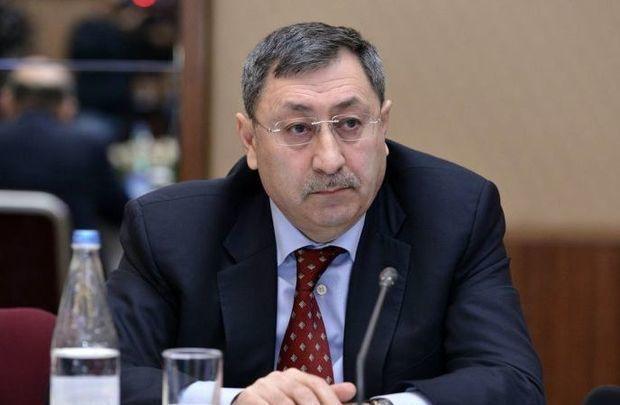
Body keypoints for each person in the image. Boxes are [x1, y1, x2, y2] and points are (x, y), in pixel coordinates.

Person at [107, 22, 544, 404]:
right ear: (250, 141)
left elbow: (511, 382)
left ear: (383, 126)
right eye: (298, 129)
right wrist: (235, 400)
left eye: (350, 123)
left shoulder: (454, 215)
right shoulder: (171, 232)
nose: (330, 160)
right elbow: (101, 378)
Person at [0, 59, 128, 229]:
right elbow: (118, 213)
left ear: (8, 101)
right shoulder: (86, 146)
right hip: (71, 246)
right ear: (67, 104)